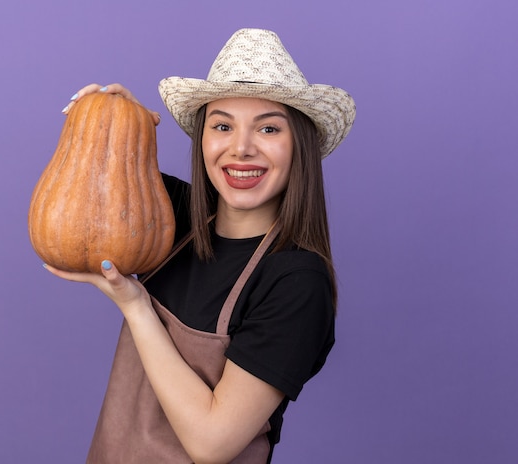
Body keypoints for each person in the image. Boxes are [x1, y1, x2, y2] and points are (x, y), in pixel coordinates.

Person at [45, 28, 356, 464]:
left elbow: (212, 443)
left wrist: (136, 307)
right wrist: (114, 121)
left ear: (299, 145)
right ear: (203, 138)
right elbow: (85, 201)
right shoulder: (168, 216)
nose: (241, 148)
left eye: (268, 128)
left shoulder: (297, 281)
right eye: (222, 125)